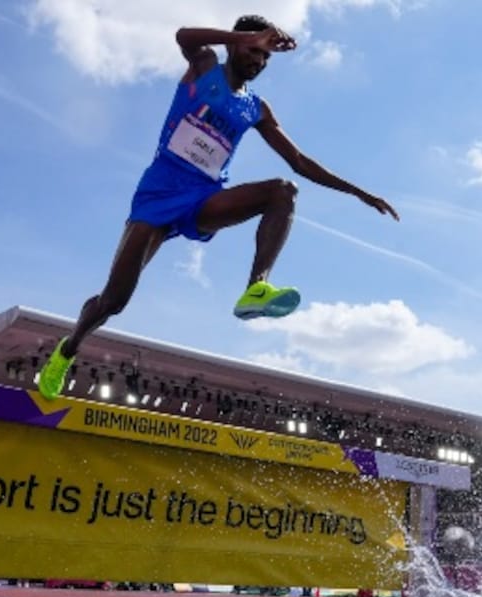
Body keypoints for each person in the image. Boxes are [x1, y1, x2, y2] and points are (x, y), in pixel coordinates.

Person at [37, 15, 399, 400]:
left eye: (266, 57)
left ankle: (256, 288)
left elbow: (298, 160)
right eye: (253, 50)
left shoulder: (256, 108)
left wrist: (358, 192)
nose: (259, 61)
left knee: (282, 191)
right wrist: (246, 35)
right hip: (157, 195)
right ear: (234, 44)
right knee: (114, 301)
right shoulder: (205, 66)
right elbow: (183, 35)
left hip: (203, 197)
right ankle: (67, 351)